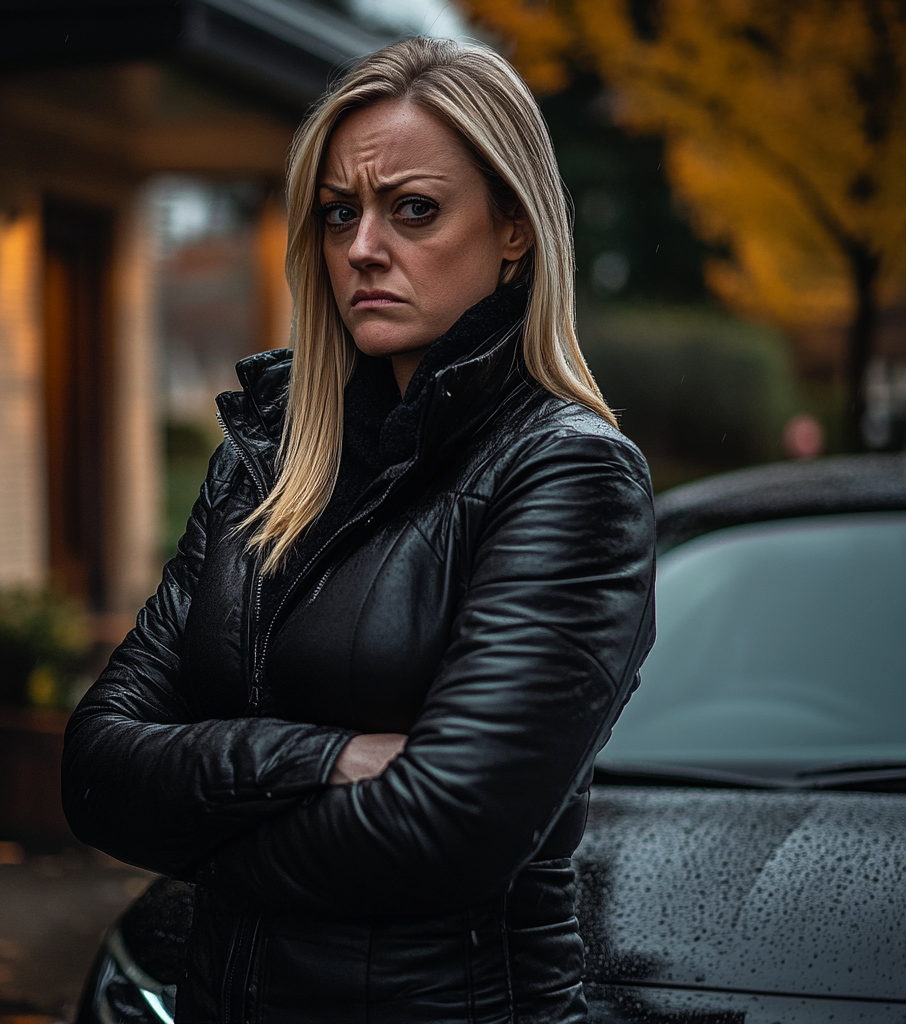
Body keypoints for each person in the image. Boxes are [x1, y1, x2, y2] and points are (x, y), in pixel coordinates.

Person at [62, 36, 655, 1024]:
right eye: (341, 211)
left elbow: (445, 826)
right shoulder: (266, 458)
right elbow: (95, 765)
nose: (362, 247)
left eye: (412, 209)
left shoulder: (566, 472)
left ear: (513, 228)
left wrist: (193, 824)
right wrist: (321, 757)